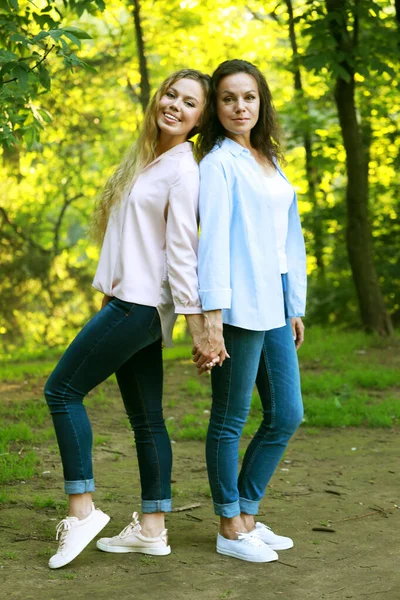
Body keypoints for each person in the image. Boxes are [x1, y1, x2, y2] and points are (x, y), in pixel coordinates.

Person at [44, 69, 210, 569]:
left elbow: (183, 251)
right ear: (158, 97)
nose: (176, 106)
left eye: (190, 103)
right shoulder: (146, 160)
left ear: (200, 118)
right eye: (171, 94)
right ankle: (152, 529)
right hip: (126, 301)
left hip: (138, 306)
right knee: (146, 418)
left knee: (61, 391)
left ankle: (82, 510)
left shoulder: (183, 169)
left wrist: (198, 324)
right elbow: (127, 241)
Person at [193, 59, 307, 563]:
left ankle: (248, 512)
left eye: (249, 97)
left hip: (276, 299)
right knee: (231, 417)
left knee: (287, 412)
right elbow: (212, 243)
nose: (241, 107)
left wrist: (293, 304)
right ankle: (229, 526)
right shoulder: (217, 163)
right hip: (238, 304)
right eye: (229, 99)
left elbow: (288, 238)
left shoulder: (267, 157)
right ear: (217, 108)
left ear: (262, 103)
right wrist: (211, 315)